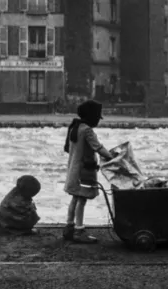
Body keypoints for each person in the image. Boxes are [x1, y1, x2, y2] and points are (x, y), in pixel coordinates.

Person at [63, 99, 114, 244]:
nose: (98, 121)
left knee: (74, 198)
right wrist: (111, 156)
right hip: (84, 172)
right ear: (92, 117)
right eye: (97, 118)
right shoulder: (87, 130)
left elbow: (68, 149)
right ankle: (79, 231)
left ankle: (69, 227)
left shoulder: (74, 127)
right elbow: (98, 147)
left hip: (73, 170)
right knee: (82, 199)